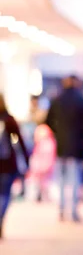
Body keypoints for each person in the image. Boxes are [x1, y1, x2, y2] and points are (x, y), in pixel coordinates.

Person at [45, 75, 83, 222]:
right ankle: (72, 210)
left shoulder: (57, 100)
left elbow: (48, 121)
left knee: (61, 179)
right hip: (76, 147)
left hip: (61, 146)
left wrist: (58, 133)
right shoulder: (81, 100)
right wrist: (81, 136)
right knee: (74, 180)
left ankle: (61, 208)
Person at [0, 94, 29, 239]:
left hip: (7, 164)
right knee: (5, 195)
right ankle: (0, 218)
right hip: (6, 164)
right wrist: (26, 159)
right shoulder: (9, 120)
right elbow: (20, 140)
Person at [28, 124, 56, 202]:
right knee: (40, 182)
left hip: (45, 165)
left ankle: (43, 196)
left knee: (45, 182)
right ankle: (40, 196)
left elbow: (48, 156)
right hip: (41, 165)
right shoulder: (44, 143)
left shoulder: (48, 143)